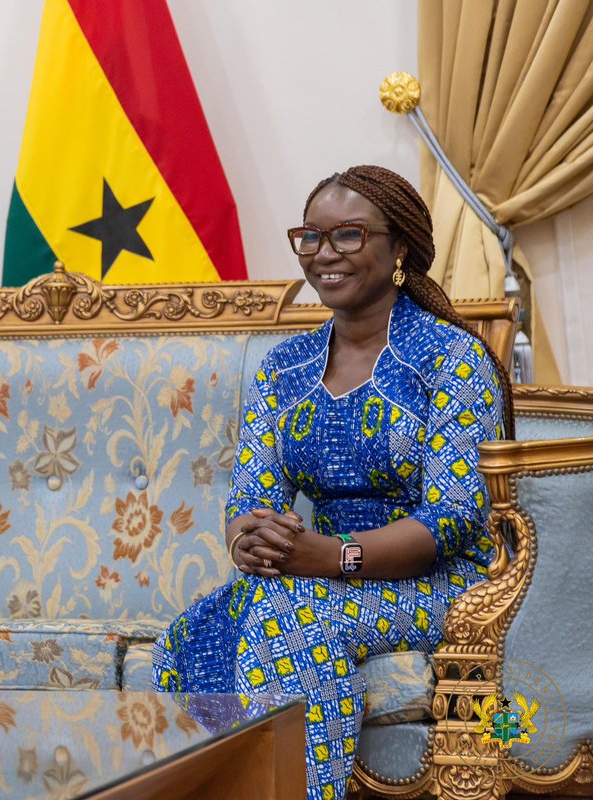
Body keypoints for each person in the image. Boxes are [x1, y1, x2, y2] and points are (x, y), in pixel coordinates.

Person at [152, 165, 514, 800]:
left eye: (348, 235)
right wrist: (251, 539)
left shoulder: (450, 358)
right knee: (194, 630)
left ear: (399, 247)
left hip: (438, 582)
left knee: (293, 616)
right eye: (310, 238)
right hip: (317, 570)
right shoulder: (284, 365)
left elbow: (453, 519)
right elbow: (248, 496)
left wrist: (333, 556)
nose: (324, 255)